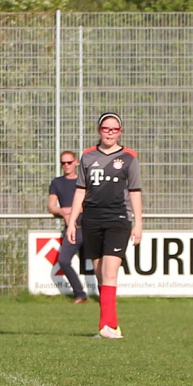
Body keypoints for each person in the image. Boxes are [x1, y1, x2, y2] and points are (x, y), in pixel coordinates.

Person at [66, 113, 143, 339]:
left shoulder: (129, 157)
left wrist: (138, 223)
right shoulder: (88, 156)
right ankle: (111, 326)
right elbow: (80, 190)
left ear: (120, 132)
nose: (110, 133)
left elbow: (135, 191)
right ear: (99, 130)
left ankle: (105, 327)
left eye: (114, 129)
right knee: (100, 274)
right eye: (106, 128)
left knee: (110, 272)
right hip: (91, 219)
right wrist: (72, 222)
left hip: (118, 219)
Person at [47, 150, 90, 303]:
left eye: (69, 162)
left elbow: (90, 203)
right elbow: (51, 206)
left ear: (76, 162)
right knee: (64, 261)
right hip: (73, 229)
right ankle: (80, 294)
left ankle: (106, 297)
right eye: (63, 163)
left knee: (100, 263)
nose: (66, 165)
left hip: (88, 227)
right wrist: (62, 211)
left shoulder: (84, 181)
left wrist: (73, 210)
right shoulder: (57, 183)